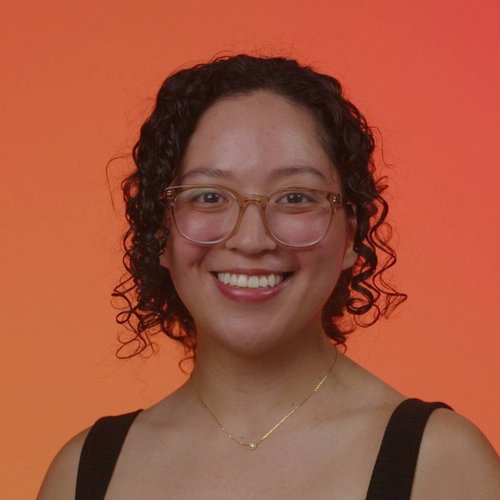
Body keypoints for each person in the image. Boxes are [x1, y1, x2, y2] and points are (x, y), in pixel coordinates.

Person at [38, 54, 500, 500]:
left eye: (295, 197)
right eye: (209, 196)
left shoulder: (442, 463)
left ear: (350, 235)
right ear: (160, 233)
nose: (252, 239)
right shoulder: (85, 473)